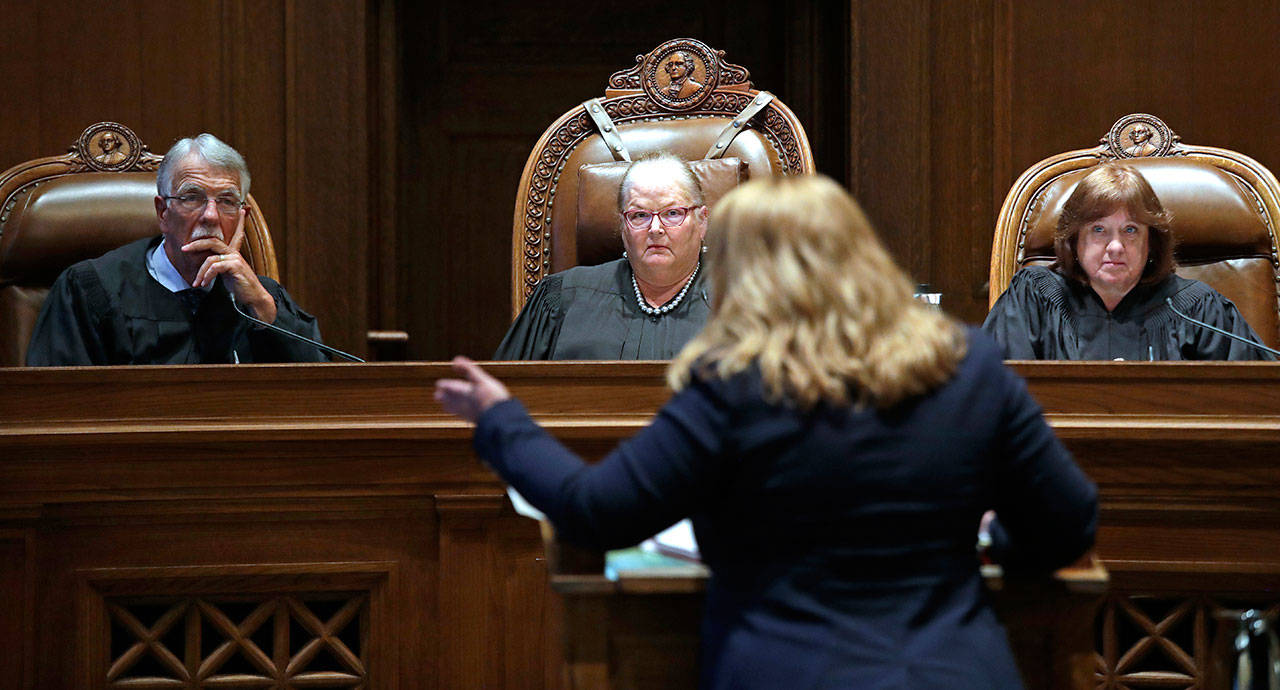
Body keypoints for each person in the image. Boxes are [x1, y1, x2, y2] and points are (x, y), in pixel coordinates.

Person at [438, 175, 1098, 689]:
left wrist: (503, 423)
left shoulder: (735, 385)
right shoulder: (968, 363)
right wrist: (998, 546)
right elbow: (1069, 520)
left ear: (737, 271)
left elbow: (596, 512)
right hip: (955, 670)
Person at [26, 133, 327, 365]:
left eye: (226, 201)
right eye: (192, 197)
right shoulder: (88, 290)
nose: (210, 215)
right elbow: (57, 409)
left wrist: (262, 307)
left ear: (242, 218)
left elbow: (319, 394)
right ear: (163, 213)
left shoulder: (260, 297)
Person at [984, 161, 1274, 360]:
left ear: (1151, 242)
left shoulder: (1200, 311)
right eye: (1099, 230)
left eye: (1131, 230)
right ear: (1074, 239)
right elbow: (992, 398)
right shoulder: (1033, 299)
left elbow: (1257, 401)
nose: (1115, 247)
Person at [494, 151, 711, 359]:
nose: (655, 228)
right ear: (623, 226)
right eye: (639, 215)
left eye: (672, 213)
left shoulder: (740, 300)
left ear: (702, 222)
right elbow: (507, 389)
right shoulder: (561, 299)